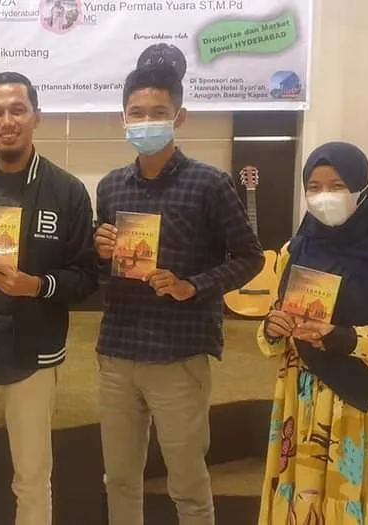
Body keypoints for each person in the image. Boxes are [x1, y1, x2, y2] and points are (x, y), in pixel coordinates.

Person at [92, 64, 264, 525]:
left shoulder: (210, 183)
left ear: (179, 117)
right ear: (123, 118)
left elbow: (251, 257)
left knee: (186, 482)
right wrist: (100, 249)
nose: (146, 121)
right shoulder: (110, 186)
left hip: (179, 351)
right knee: (119, 478)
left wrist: (193, 286)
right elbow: (103, 269)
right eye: (137, 113)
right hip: (118, 350)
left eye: (158, 112)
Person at [0, 71, 98, 525]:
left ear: (36, 116)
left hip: (33, 348)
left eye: (17, 110)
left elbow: (86, 275)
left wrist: (37, 286)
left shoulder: (67, 190)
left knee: (31, 474)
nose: (7, 121)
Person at [257, 142, 368, 525]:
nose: (324, 196)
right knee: (299, 497)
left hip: (358, 408)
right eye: (314, 187)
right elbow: (275, 321)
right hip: (300, 399)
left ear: (362, 189)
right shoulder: (295, 250)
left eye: (337, 186)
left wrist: (348, 339)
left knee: (348, 501)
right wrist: (272, 329)